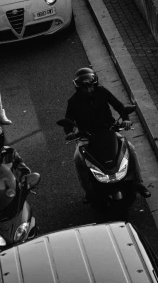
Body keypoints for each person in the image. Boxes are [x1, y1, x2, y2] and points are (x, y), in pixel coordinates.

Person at [63, 67, 150, 197]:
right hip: (86, 137)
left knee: (130, 149)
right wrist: (69, 132)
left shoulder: (103, 92)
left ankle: (139, 183)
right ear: (78, 88)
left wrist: (126, 120)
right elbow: (68, 120)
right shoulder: (73, 101)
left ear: (95, 84)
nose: (88, 90)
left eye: (91, 87)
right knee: (78, 159)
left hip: (109, 131)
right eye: (84, 88)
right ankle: (89, 192)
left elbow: (119, 107)